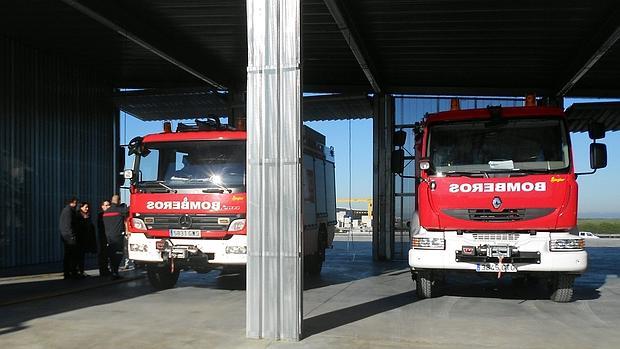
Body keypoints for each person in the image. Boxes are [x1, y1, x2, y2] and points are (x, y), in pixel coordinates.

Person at [103, 194, 128, 279]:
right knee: (118, 255)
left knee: (111, 255)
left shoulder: (105, 212)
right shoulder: (119, 210)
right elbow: (128, 211)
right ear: (119, 201)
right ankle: (115, 272)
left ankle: (113, 271)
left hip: (108, 237)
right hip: (117, 237)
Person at [59, 197, 79, 279]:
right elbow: (68, 225)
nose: (76, 205)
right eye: (75, 203)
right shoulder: (69, 211)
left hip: (66, 236)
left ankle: (69, 272)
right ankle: (71, 272)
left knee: (69, 255)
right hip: (69, 237)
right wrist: (72, 236)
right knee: (71, 255)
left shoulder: (67, 210)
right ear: (73, 202)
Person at [75, 202, 97, 277]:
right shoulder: (78, 216)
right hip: (79, 239)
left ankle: (81, 271)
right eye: (85, 207)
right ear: (81, 207)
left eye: (88, 207)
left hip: (85, 239)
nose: (87, 209)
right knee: (78, 256)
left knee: (82, 256)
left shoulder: (87, 216)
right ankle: (78, 271)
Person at [96, 200, 111, 276]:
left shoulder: (111, 214)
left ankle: (107, 269)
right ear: (102, 206)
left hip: (109, 236)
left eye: (108, 205)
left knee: (108, 254)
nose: (107, 207)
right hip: (103, 237)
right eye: (106, 205)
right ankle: (103, 270)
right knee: (103, 254)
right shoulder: (100, 214)